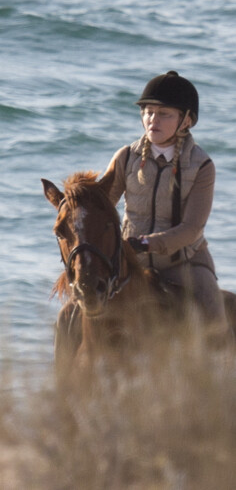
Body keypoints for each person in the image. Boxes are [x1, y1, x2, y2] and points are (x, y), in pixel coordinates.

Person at [105, 70, 229, 336]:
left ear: (186, 121)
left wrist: (147, 243)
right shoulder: (125, 157)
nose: (153, 120)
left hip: (184, 264)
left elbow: (191, 229)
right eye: (148, 112)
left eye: (164, 114)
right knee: (69, 315)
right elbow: (104, 207)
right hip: (131, 261)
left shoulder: (201, 165)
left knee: (214, 314)